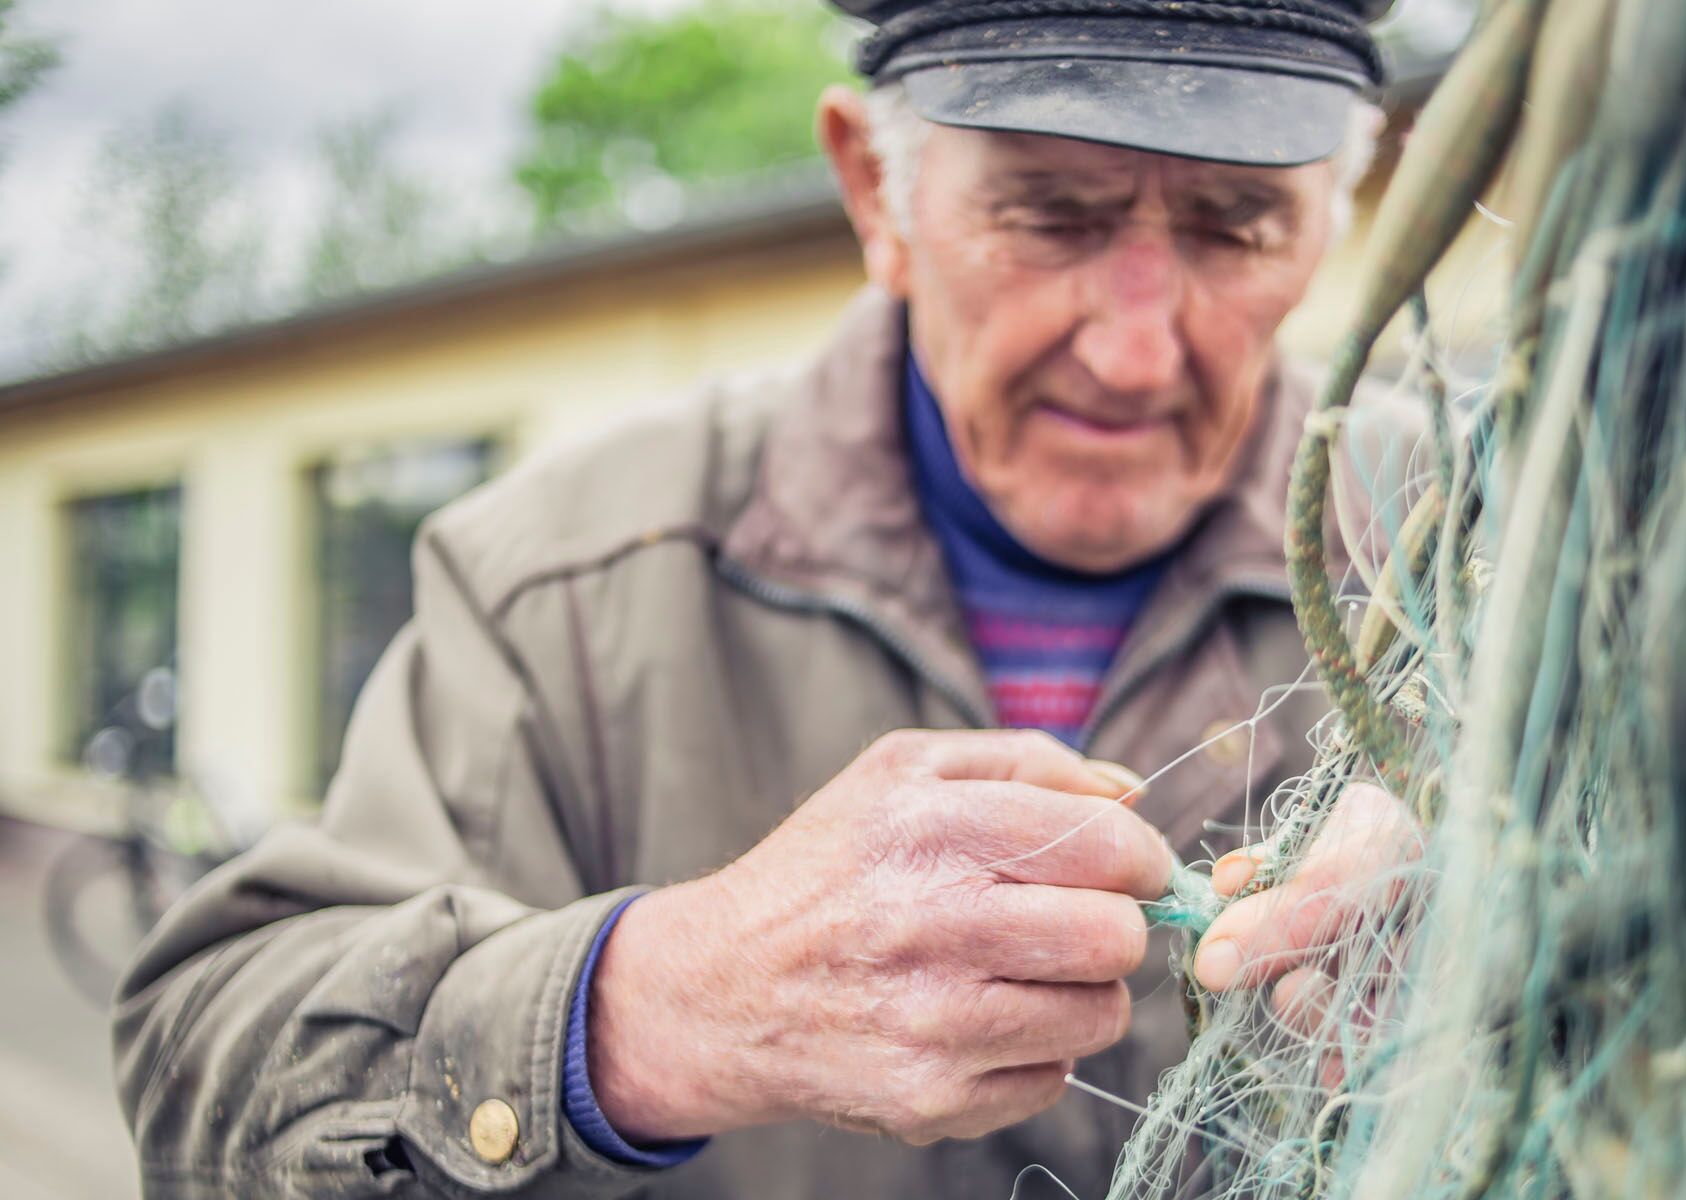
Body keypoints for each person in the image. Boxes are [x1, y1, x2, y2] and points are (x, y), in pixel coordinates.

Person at [112, 2, 1426, 1196]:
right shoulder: (555, 578)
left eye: (1238, 226)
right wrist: (650, 1010)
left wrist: (1528, 953)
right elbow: (201, 1073)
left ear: (1336, 219)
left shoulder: (1479, 556)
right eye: (1052, 217)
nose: (1139, 348)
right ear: (874, 190)